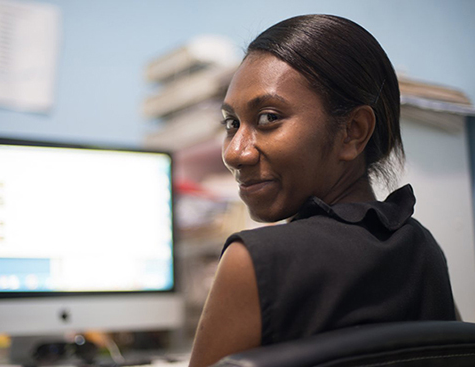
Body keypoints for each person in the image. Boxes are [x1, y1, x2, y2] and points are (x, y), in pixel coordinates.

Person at [188, 14, 456, 367]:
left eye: (269, 118)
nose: (234, 152)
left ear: (353, 132)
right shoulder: (422, 248)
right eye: (231, 124)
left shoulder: (254, 261)